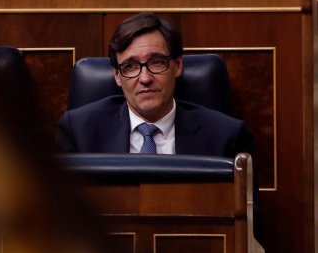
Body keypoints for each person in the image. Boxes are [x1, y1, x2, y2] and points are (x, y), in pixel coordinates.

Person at [54, 12, 254, 157]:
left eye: (156, 62)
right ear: (117, 75)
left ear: (177, 65)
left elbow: (245, 214)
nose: (145, 78)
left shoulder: (227, 137)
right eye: (130, 66)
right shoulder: (78, 132)